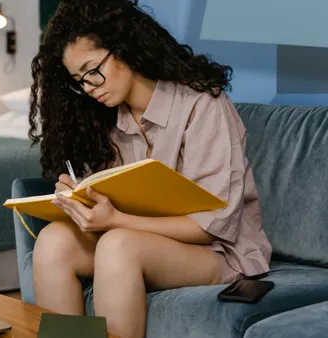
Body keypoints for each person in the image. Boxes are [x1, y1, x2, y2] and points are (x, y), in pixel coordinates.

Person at [26, 0, 272, 337]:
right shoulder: (112, 123)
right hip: (144, 239)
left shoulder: (203, 104)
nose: (89, 87)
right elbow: (123, 202)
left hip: (219, 252)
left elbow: (212, 225)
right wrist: (82, 200)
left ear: (125, 49)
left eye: (92, 70)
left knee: (118, 245)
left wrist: (115, 221)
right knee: (53, 241)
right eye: (79, 80)